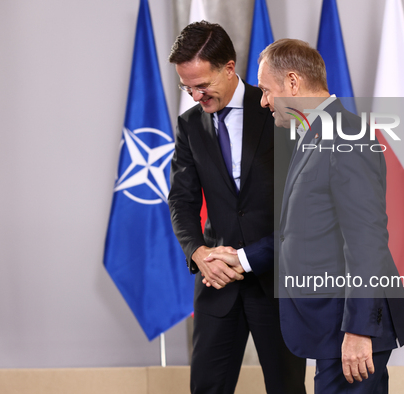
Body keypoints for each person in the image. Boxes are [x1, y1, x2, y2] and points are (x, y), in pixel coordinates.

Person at [211, 38, 404, 393]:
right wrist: (241, 259)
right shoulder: (314, 136)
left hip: (349, 329)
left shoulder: (346, 136)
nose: (263, 101)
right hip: (332, 328)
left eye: (266, 90)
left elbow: (366, 242)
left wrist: (359, 330)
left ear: (292, 83)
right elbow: (303, 233)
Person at [167, 23, 306, 394]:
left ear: (229, 68)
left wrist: (251, 257)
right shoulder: (189, 125)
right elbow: (181, 199)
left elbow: (306, 201)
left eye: (202, 85)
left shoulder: (278, 110)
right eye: (186, 87)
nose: (195, 95)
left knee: (287, 387)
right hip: (216, 280)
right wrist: (199, 254)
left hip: (276, 277)